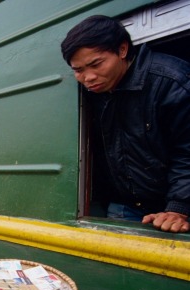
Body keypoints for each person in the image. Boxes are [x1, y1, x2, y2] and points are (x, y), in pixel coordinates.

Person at [61, 15, 190, 233]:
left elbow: (186, 151)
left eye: (96, 64)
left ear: (122, 50)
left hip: (173, 211)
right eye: (78, 70)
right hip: (123, 206)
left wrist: (179, 207)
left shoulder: (172, 81)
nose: (88, 77)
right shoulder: (92, 92)